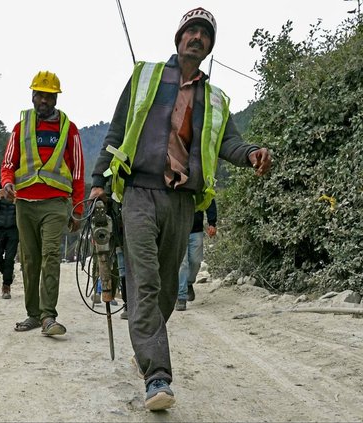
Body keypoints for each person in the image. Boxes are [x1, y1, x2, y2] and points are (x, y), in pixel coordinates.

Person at [89, 6, 271, 411]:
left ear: (209, 46)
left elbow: (229, 144)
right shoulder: (146, 76)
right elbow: (117, 131)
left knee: (168, 288)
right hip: (138, 192)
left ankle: (145, 341)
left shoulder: (215, 98)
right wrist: (98, 182)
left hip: (182, 202)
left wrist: (253, 153)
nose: (198, 38)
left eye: (205, 34)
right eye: (192, 30)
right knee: (146, 282)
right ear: (179, 37)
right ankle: (157, 377)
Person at [1, 70, 85, 336]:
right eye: (39, 95)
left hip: (56, 205)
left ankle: (49, 316)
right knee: (29, 259)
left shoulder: (69, 129)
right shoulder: (20, 127)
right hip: (24, 204)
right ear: (33, 95)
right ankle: (33, 314)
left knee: (50, 256)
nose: (43, 101)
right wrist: (7, 183)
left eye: (49, 96)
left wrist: (77, 209)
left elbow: (78, 173)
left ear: (56, 98)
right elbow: (8, 164)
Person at [175, 199, 217, 311]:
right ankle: (181, 297)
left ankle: (189, 283)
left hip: (196, 229)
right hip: (178, 230)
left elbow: (209, 199)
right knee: (182, 264)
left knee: (196, 261)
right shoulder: (171, 182)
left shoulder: (198, 182)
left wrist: (212, 223)